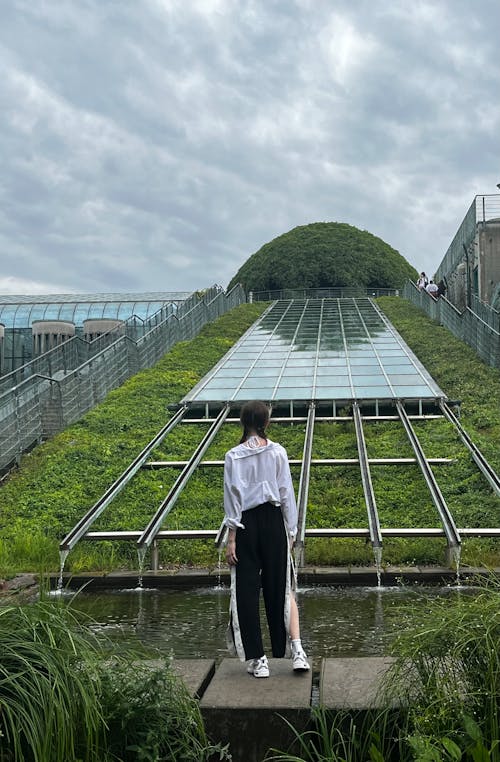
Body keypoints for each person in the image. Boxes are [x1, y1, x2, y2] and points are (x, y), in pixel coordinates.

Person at [223, 400, 310, 678]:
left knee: (246, 591)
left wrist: (231, 537)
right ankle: (294, 651)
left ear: (242, 422)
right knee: (281, 587)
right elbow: (286, 492)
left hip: (246, 524)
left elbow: (233, 497)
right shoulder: (277, 452)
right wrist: (292, 530)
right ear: (265, 422)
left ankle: (258, 659)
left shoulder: (234, 455)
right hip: (275, 522)